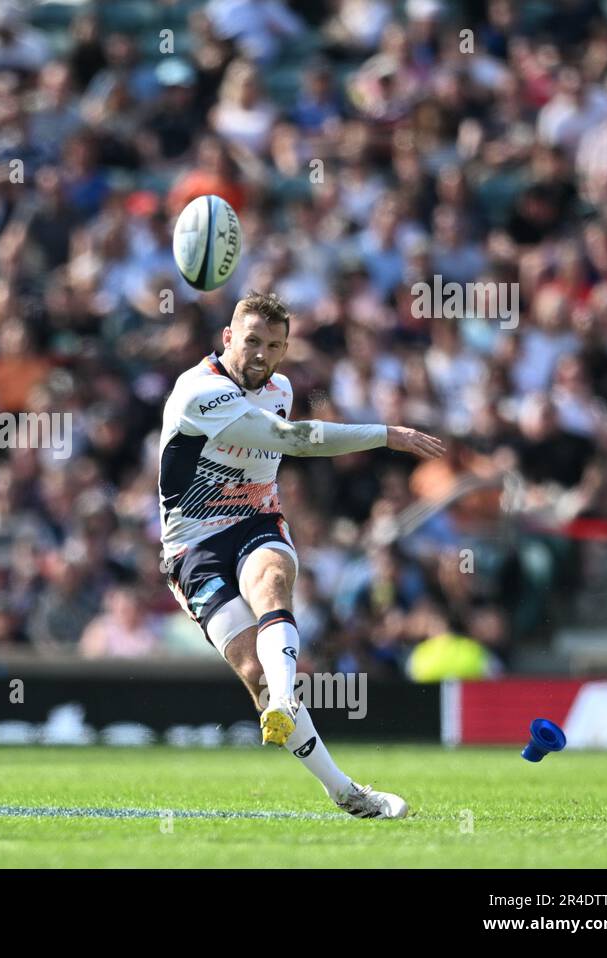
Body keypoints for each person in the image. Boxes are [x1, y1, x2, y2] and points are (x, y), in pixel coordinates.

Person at [158, 292, 444, 819]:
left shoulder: (281, 388)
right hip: (192, 548)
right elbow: (293, 439)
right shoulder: (200, 392)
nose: (261, 355)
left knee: (273, 575)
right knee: (255, 674)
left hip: (255, 522)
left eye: (273, 345)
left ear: (286, 348)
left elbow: (281, 442)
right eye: (250, 341)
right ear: (227, 338)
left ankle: (296, 713)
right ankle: (339, 786)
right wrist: (387, 435)